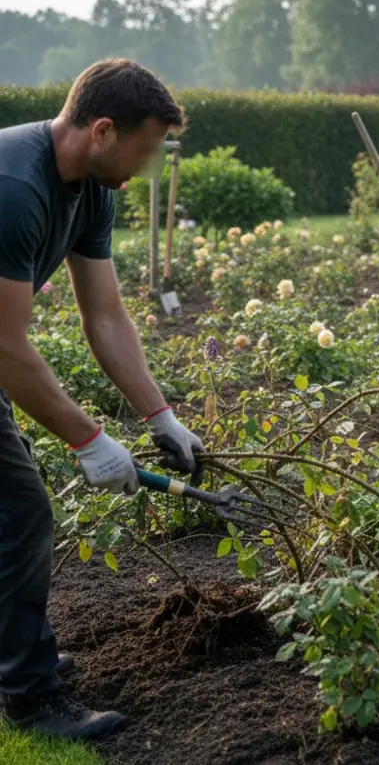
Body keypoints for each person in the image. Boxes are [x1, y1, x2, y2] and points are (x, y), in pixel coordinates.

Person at [0, 59, 204, 740]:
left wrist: (161, 416)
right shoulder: (13, 189)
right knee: (20, 511)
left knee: (10, 508)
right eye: (145, 150)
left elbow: (107, 317)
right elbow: (5, 348)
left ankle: (15, 651)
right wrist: (89, 439)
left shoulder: (94, 188)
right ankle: (31, 700)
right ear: (104, 130)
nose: (146, 167)